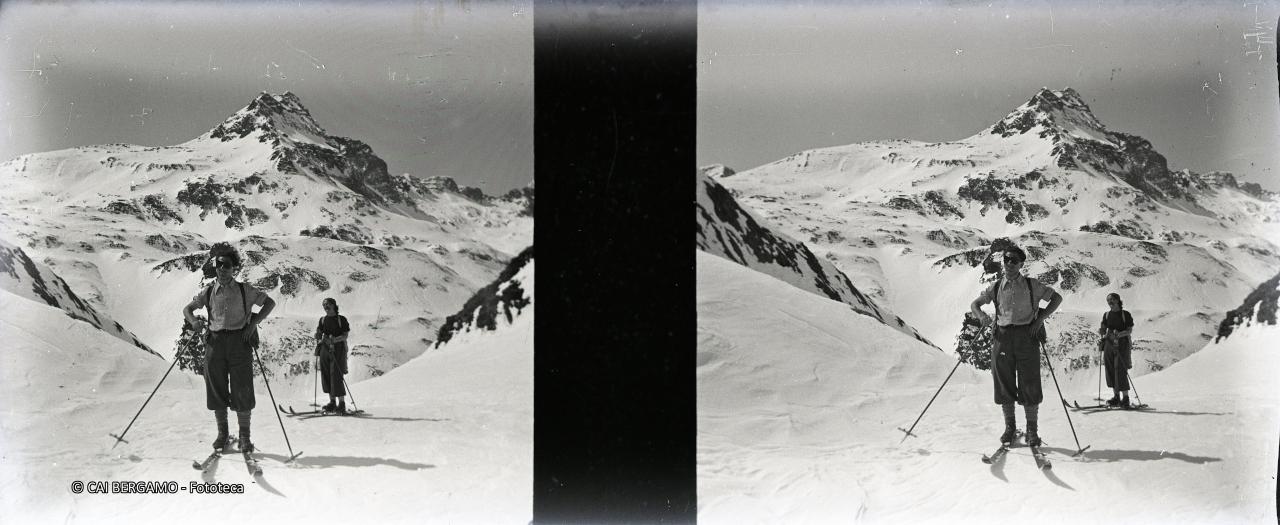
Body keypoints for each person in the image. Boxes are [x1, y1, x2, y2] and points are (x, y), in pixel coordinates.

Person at [182, 243, 275, 452]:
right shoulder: (208, 291)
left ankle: (244, 437)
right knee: (216, 388)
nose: (222, 269)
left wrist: (253, 324)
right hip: (215, 342)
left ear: (234, 268)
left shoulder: (245, 290)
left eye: (226, 265)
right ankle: (222, 433)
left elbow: (269, 303)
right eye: (218, 265)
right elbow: (187, 309)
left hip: (239, 342)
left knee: (242, 388)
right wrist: (194, 321)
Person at [969, 245, 1063, 447]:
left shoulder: (1031, 285)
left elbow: (1057, 298)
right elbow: (974, 305)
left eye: (1014, 261)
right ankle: (1010, 427)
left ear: (1021, 264)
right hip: (1002, 337)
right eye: (1006, 260)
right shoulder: (995, 287)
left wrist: (1040, 320)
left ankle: (1031, 431)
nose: (1009, 264)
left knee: (1029, 382)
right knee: (1004, 383)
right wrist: (982, 316)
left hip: (1026, 336)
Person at [314, 297, 351, 414]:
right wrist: (318, 335)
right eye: (324, 305)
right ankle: (332, 402)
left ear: (334, 305)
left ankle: (341, 403)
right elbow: (319, 333)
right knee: (326, 374)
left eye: (328, 304)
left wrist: (334, 340)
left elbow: (345, 335)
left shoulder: (341, 319)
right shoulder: (322, 320)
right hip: (325, 349)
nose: (325, 307)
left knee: (336, 374)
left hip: (338, 349)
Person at [1099, 292, 1135, 408]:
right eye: (1108, 300)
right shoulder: (1106, 315)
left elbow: (1129, 330)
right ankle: (1116, 397)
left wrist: (1119, 334)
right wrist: (1102, 331)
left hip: (1122, 344)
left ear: (1118, 300)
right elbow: (1103, 328)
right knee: (1110, 368)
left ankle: (1125, 398)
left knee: (1120, 369)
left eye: (1112, 300)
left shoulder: (1125, 314)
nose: (1110, 302)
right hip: (1110, 343)